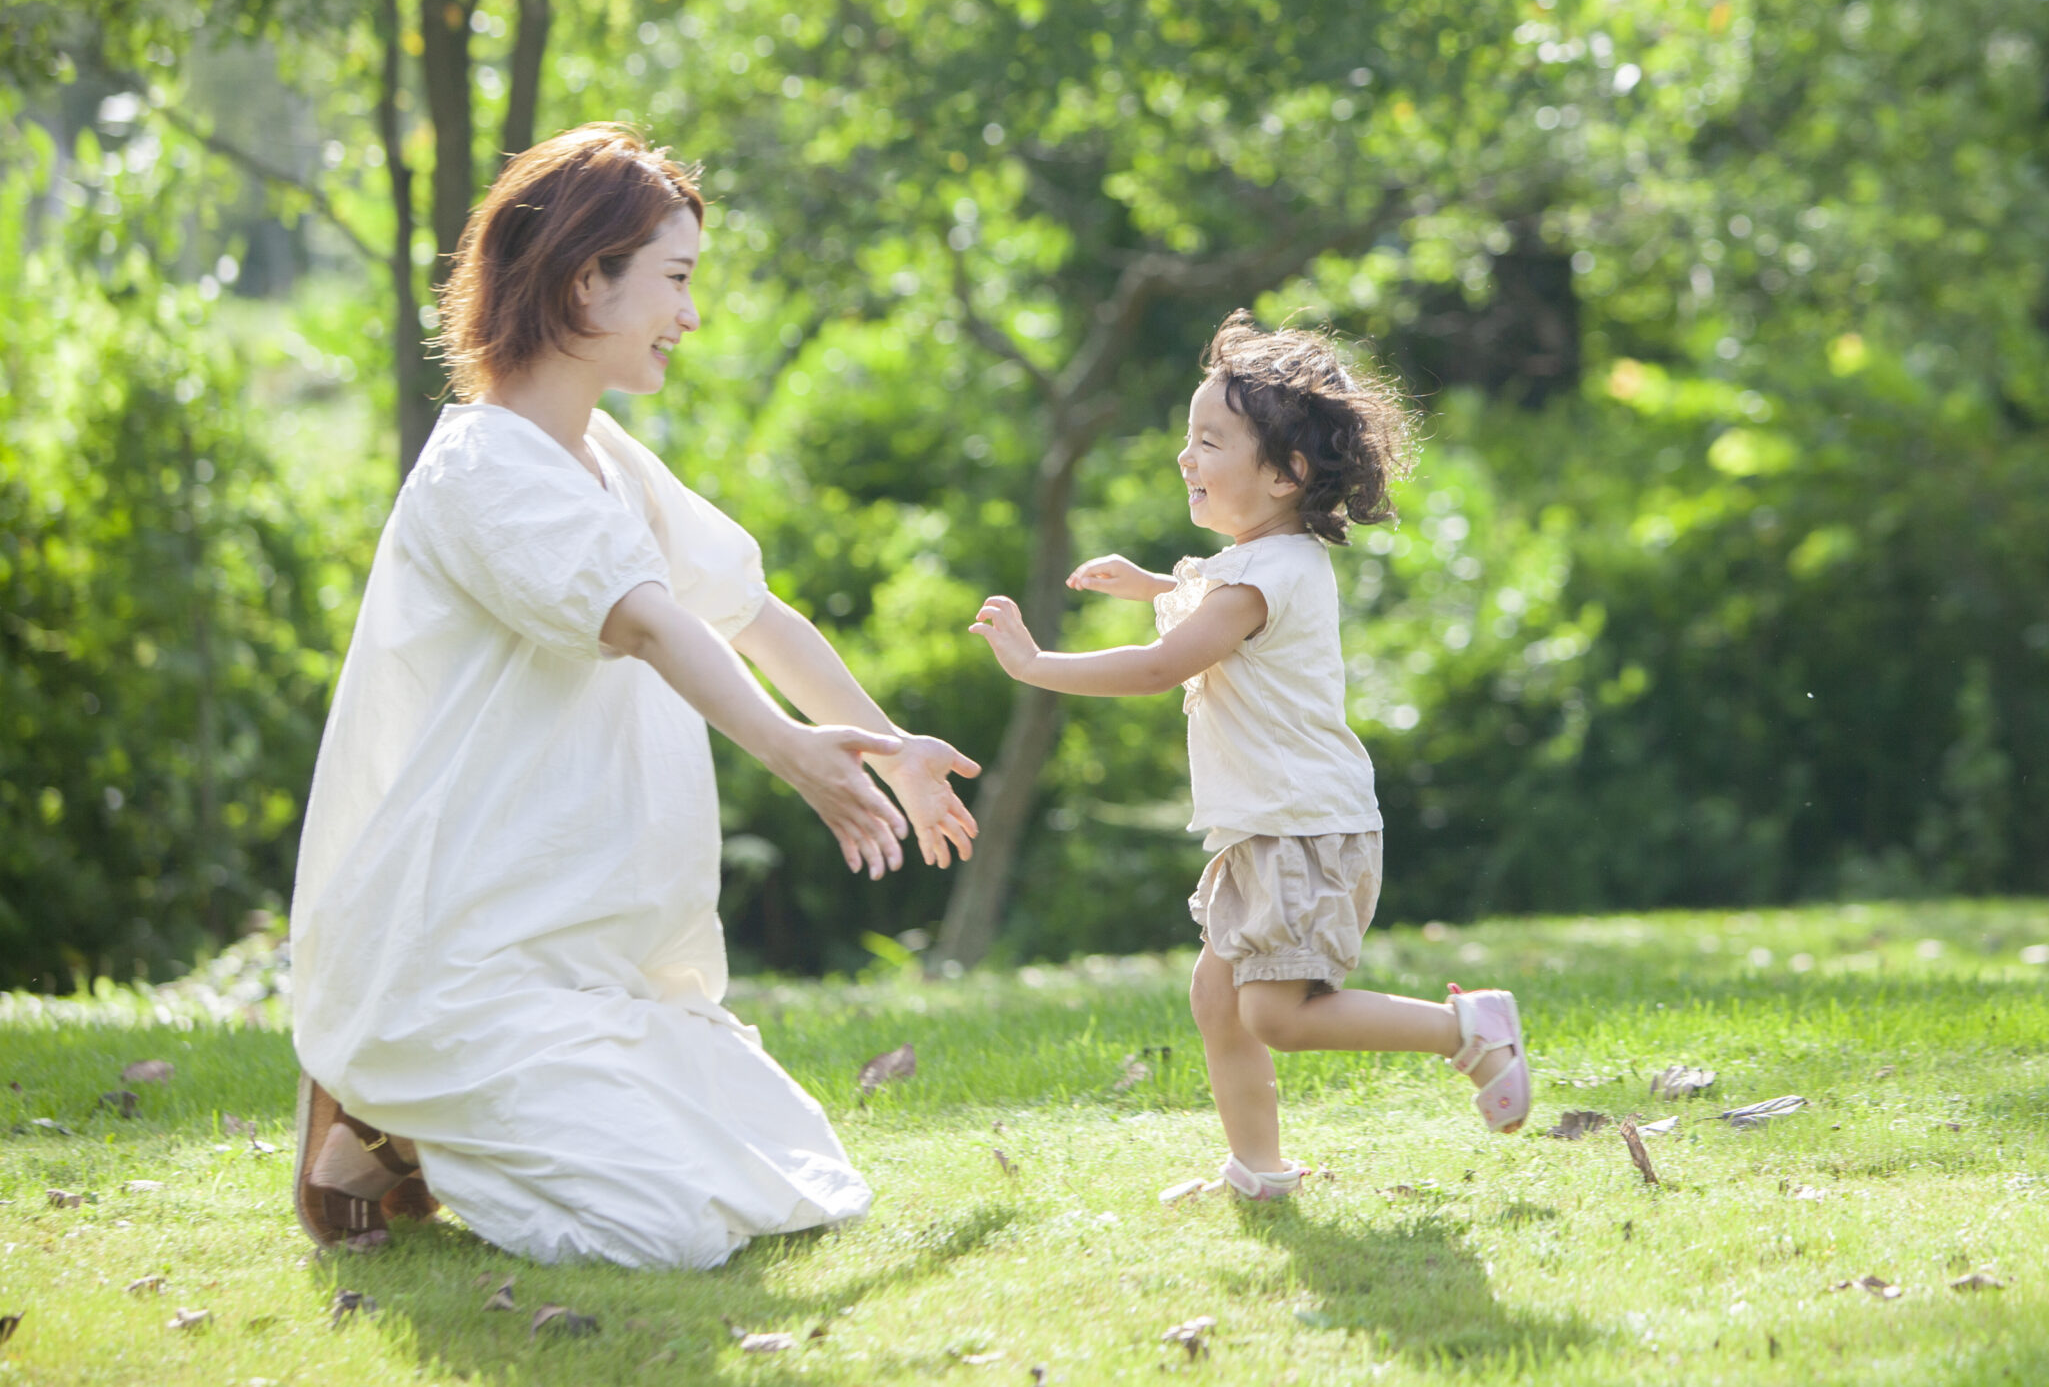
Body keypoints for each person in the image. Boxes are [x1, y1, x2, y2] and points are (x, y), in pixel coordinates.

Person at [289, 124, 980, 1268]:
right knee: (661, 1228)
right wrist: (791, 749)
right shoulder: (482, 470)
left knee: (796, 1185)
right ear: (582, 278)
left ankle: (425, 1115)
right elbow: (650, 619)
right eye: (675, 279)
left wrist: (894, 744)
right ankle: (380, 1094)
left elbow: (750, 612)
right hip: (459, 959)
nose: (690, 315)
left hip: (590, 959)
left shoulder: (603, 455)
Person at [969, 310, 1530, 1200]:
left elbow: (1163, 666)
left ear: (1285, 473)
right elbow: (1211, 604)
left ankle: (1467, 1030)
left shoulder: (1261, 578)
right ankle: (1258, 1173)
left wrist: (1037, 664)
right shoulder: (1265, 564)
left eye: (1208, 441)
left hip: (1300, 833)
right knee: (1218, 1000)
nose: (1185, 458)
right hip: (1274, 829)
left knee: (1277, 1015)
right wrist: (1156, 583)